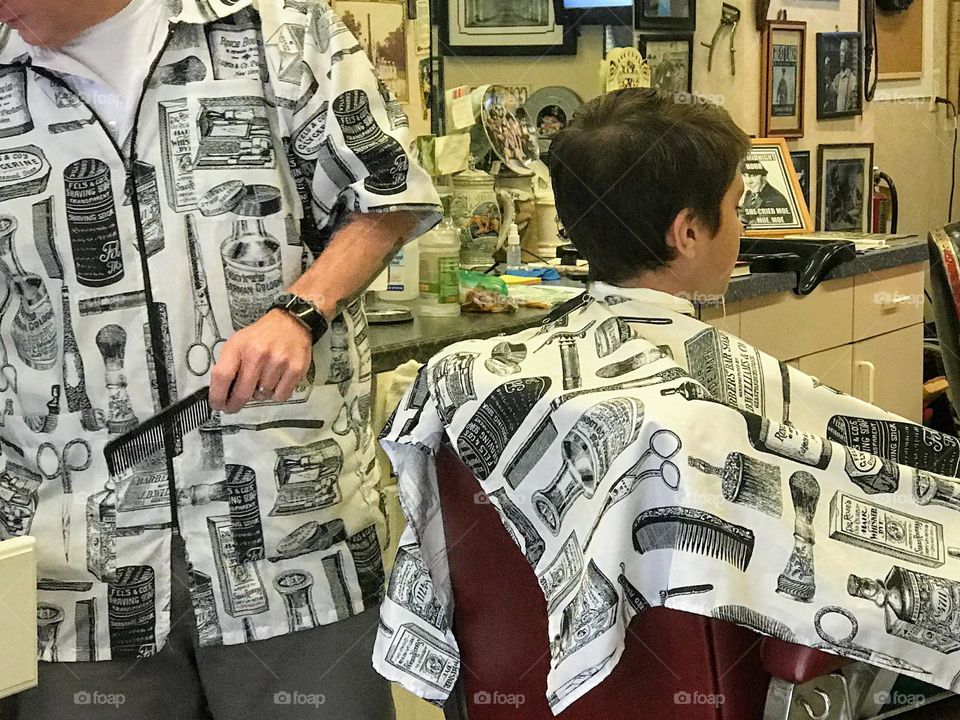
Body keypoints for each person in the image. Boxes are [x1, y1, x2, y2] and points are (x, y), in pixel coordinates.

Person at [370, 88, 960, 714]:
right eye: (736, 209)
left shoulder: (461, 375)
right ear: (688, 233)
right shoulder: (693, 417)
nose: (742, 227)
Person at [0, 1, 440, 719]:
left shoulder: (279, 31)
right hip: (71, 567)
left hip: (289, 537)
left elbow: (387, 196)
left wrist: (302, 308)